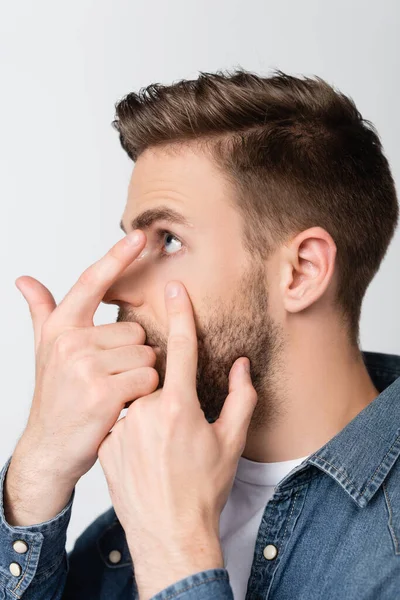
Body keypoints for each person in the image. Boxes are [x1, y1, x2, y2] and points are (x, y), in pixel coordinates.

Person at [0, 67, 399, 600]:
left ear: (302, 272)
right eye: (130, 243)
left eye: (167, 240)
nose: (117, 287)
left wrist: (174, 550)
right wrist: (39, 473)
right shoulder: (145, 499)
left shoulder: (159, 510)